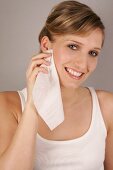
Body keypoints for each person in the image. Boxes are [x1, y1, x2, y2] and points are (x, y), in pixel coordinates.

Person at [0, 0, 113, 169]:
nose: (83, 64)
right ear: (46, 45)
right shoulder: (8, 105)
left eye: (93, 53)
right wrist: (32, 105)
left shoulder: (107, 107)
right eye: (73, 46)